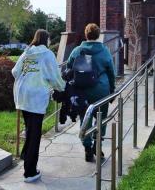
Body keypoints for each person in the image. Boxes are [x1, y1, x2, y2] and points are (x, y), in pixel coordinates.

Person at [12, 29, 65, 183]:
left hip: (22, 95)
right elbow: (54, 76)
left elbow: (15, 71)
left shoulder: (27, 52)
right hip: (36, 97)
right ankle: (29, 172)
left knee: (30, 129)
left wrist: (28, 77)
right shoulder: (47, 54)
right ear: (46, 39)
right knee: (35, 134)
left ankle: (25, 155)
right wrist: (62, 87)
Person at [66, 23, 116, 162]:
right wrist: (112, 90)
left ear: (86, 34)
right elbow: (111, 72)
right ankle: (97, 146)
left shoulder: (77, 50)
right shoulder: (105, 51)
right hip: (102, 90)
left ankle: (87, 148)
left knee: (85, 118)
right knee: (101, 118)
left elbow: (68, 68)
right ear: (98, 35)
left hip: (82, 90)